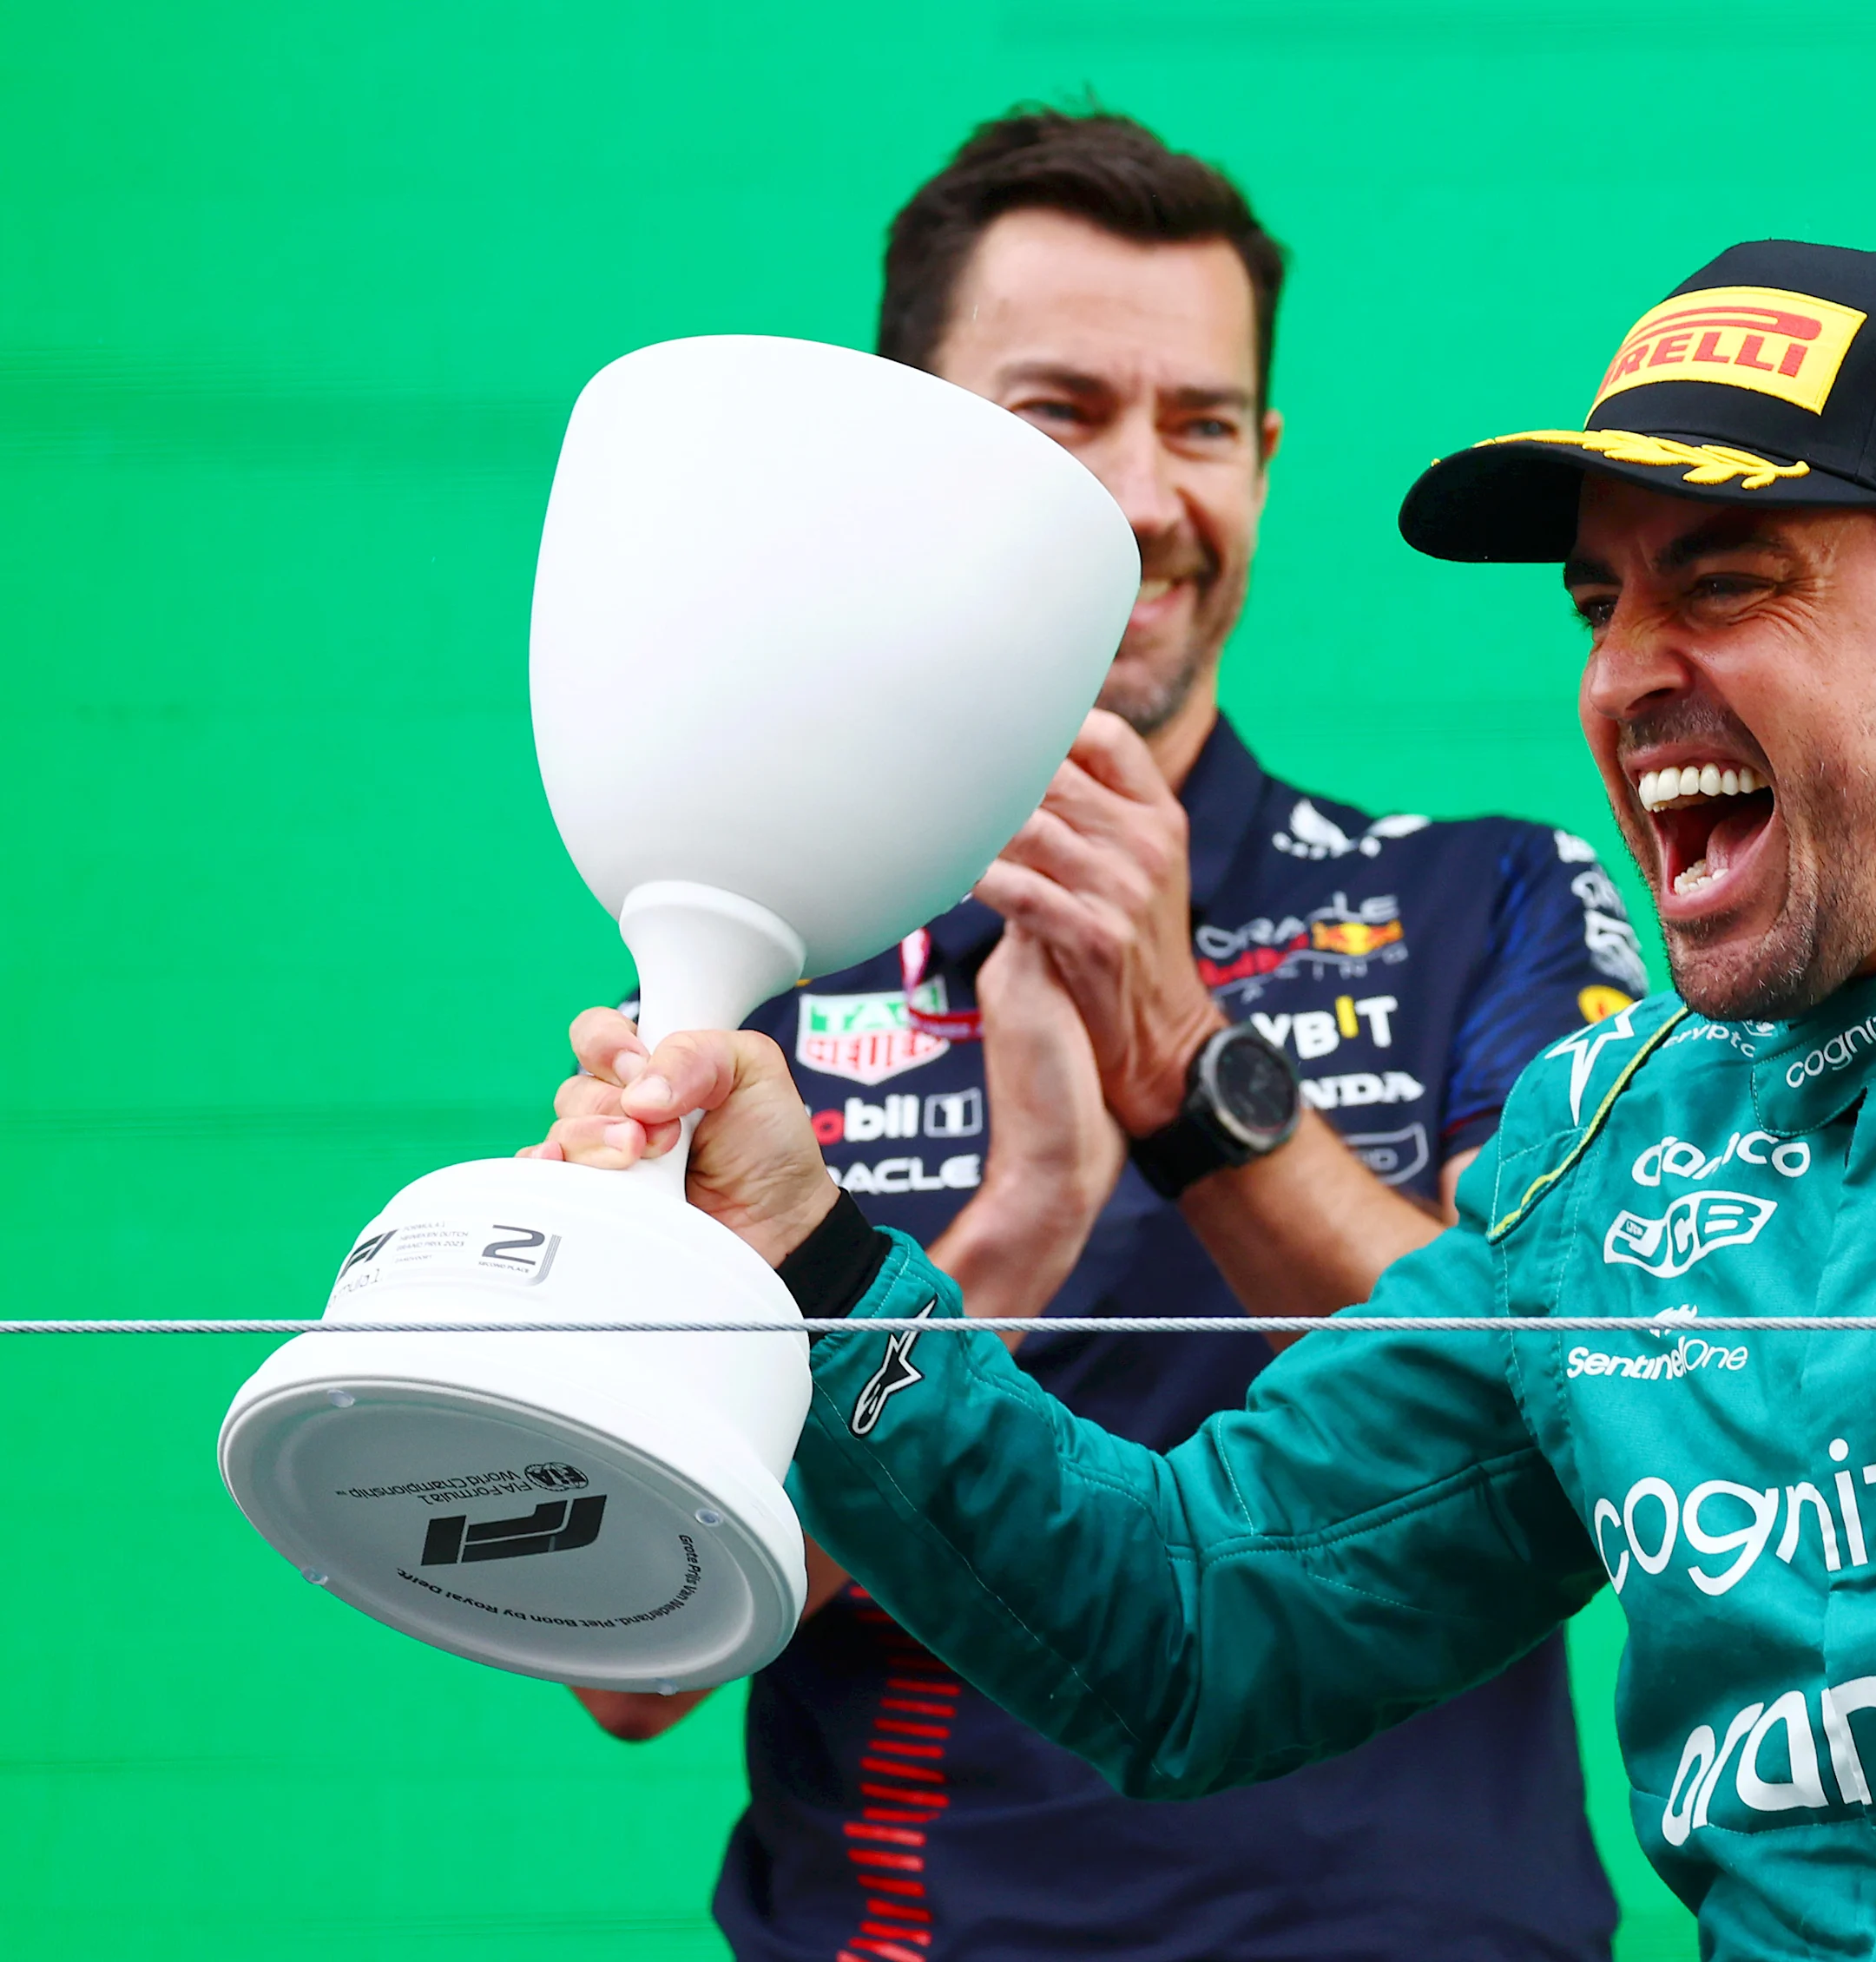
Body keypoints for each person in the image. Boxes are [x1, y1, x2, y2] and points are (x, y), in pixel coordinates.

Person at [537, 240, 1876, 1959]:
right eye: (1599, 599)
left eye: (1724, 584)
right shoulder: (1618, 1145)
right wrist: (814, 1250)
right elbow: (1191, 1631)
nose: (1623, 670)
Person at [561, 109, 1627, 1962]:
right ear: (911, 450)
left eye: (1201, 425)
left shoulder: (1493, 896)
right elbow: (628, 1653)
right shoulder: (758, 951)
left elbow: (1583, 1417)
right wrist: (1017, 1231)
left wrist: (1186, 1070)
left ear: (1265, 461)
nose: (1143, 498)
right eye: (1060, 415)